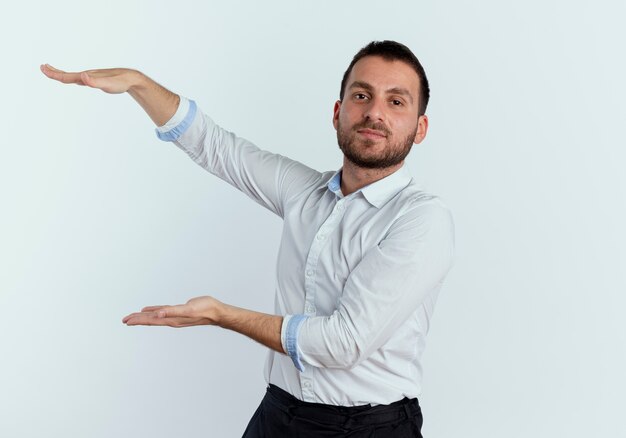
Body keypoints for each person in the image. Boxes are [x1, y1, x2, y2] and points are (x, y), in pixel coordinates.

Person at [41, 40, 454, 437]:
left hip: (371, 428)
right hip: (279, 413)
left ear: (420, 128)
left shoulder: (421, 219)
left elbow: (343, 343)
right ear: (337, 112)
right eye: (361, 96)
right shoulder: (305, 192)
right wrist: (139, 83)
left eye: (396, 101)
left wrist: (222, 315)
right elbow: (214, 145)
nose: (374, 113)